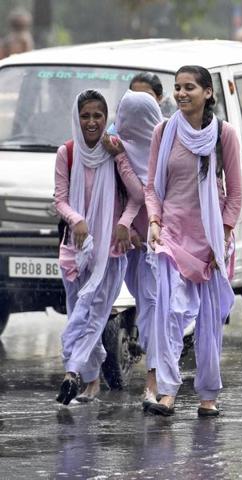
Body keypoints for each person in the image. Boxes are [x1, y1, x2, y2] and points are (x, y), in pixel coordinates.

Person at [144, 65, 242, 417]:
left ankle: (207, 396)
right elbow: (152, 187)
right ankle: (167, 392)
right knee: (169, 313)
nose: (182, 94)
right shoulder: (163, 131)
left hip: (211, 240)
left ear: (208, 93)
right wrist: (154, 220)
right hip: (171, 234)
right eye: (177, 88)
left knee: (209, 322)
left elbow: (234, 193)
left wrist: (225, 235)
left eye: (189, 87)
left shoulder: (224, 134)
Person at [54, 90, 141, 405]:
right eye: (85, 116)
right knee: (77, 312)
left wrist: (125, 222)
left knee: (96, 315)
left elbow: (137, 195)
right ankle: (91, 381)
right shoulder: (67, 153)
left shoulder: (115, 151)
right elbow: (60, 199)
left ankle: (72, 372)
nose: (91, 122)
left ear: (107, 119)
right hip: (74, 251)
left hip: (110, 251)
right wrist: (76, 220)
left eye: (98, 116)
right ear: (77, 118)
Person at [102, 90, 163, 409]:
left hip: (158, 242)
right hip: (126, 239)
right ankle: (88, 378)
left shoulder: (165, 144)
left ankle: (155, 379)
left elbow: (149, 192)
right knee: (104, 302)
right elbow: (112, 194)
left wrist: (147, 231)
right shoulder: (112, 143)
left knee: (154, 308)